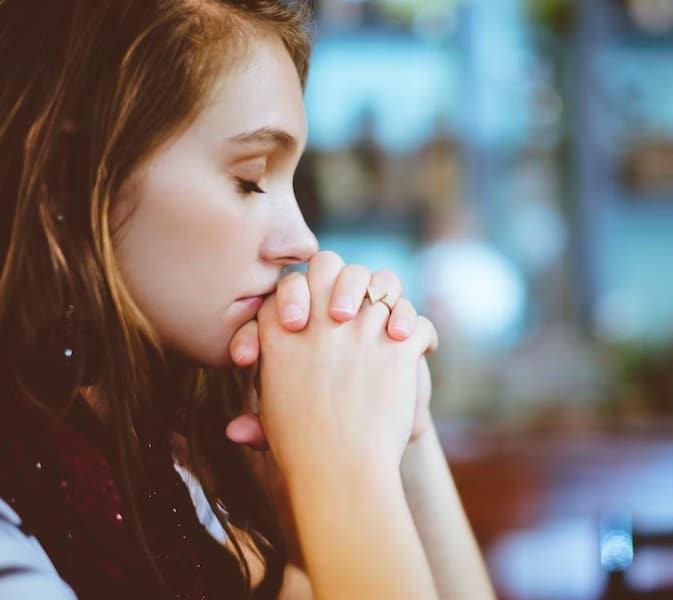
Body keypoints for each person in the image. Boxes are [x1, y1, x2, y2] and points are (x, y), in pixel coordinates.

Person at [0, 0, 495, 598]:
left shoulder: (196, 456)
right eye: (250, 178)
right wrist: (341, 471)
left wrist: (399, 429)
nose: (302, 241)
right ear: (69, 176)